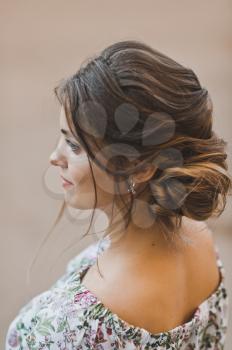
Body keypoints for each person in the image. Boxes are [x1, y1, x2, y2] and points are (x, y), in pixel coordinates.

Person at [5, 40, 231, 349]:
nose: (54, 158)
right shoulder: (202, 242)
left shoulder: (68, 325)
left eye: (74, 145)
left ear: (140, 169)